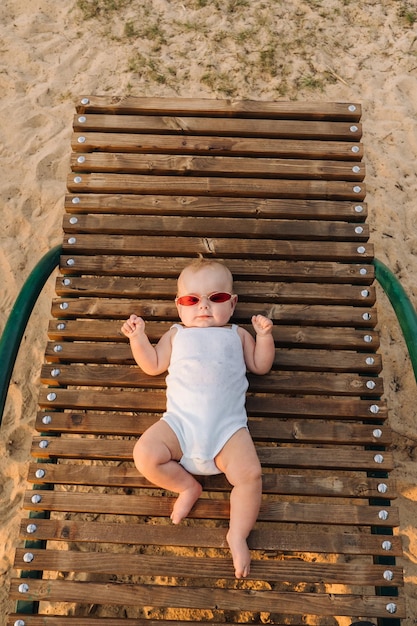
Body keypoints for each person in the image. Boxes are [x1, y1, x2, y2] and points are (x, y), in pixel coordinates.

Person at [121, 258, 275, 578]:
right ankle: (187, 487)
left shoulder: (237, 334)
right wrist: (138, 338)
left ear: (232, 305)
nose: (203, 306)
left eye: (215, 298)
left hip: (228, 430)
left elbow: (260, 366)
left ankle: (237, 534)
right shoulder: (177, 335)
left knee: (250, 476)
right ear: (180, 308)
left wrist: (264, 336)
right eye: (192, 300)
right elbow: (152, 364)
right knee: (145, 455)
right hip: (179, 425)